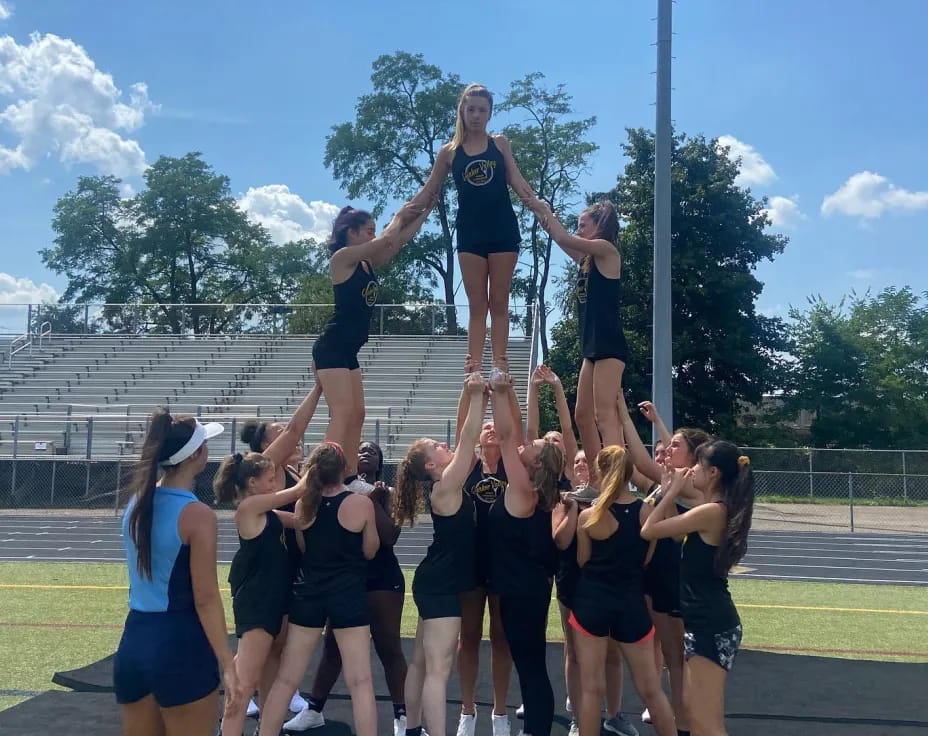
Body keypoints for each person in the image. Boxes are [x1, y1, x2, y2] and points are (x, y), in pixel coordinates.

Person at [114, 410, 239, 736]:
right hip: (180, 646)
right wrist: (228, 662)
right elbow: (206, 598)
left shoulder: (137, 503)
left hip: (133, 645)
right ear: (197, 455)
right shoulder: (198, 515)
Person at [286, 441, 409, 736]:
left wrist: (376, 501)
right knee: (332, 648)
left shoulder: (387, 493)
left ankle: (403, 716)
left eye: (373, 452)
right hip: (345, 580)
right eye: (361, 449)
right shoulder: (331, 489)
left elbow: (390, 536)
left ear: (380, 462)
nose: (366, 453)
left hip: (380, 577)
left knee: (388, 646)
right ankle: (314, 710)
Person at [258, 443, 380, 736]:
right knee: (360, 681)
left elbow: (303, 546)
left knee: (286, 679)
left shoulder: (304, 505)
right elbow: (370, 550)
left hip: (308, 593)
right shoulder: (360, 504)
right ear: (343, 470)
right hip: (348, 595)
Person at [413, 84, 535, 371]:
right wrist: (405, 213)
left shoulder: (499, 144)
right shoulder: (449, 152)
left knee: (500, 301)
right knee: (477, 304)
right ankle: (474, 367)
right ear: (462, 112)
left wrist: (539, 206)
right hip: (470, 233)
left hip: (503, 229)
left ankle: (500, 365)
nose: (476, 115)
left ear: (490, 113)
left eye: (482, 110)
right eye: (471, 109)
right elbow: (430, 189)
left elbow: (516, 181)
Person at [313, 201, 432, 490]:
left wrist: (425, 213)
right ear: (351, 232)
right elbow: (389, 238)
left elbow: (397, 241)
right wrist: (401, 214)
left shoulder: (367, 263)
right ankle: (322, 477)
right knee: (342, 413)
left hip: (348, 349)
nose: (372, 236)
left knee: (358, 413)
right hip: (333, 346)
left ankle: (350, 476)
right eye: (368, 231)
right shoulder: (342, 259)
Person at [641, 441, 756, 736]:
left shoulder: (712, 512)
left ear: (713, 473)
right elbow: (679, 538)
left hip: (710, 624)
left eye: (697, 466)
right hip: (703, 622)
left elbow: (648, 530)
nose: (690, 471)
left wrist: (668, 494)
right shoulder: (711, 512)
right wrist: (670, 492)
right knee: (698, 717)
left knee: (707, 724)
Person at [393, 373, 485, 736]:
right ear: (430, 465)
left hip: (437, 580)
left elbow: (467, 444)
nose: (444, 444)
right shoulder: (445, 487)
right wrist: (477, 395)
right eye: (436, 446)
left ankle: (413, 729)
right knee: (439, 668)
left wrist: (471, 393)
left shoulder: (446, 485)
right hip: (441, 584)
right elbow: (469, 440)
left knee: (421, 662)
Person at [570, 446, 676, 736]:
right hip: (630, 603)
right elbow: (647, 559)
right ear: (631, 473)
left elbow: (582, 560)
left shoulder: (588, 516)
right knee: (651, 690)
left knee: (591, 689)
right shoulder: (646, 511)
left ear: (601, 472)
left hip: (592, 602)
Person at [618, 399, 710, 731]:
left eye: (675, 447)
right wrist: (624, 413)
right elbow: (641, 459)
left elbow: (669, 465)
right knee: (670, 657)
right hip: (655, 576)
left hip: (678, 579)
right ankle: (676, 718)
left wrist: (658, 423)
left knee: (681, 659)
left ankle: (687, 723)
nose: (668, 451)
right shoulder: (664, 482)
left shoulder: (691, 486)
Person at [236, 384, 323, 721]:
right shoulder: (263, 472)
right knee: (261, 643)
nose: (288, 436)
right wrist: (318, 389)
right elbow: (294, 428)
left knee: (280, 641)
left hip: (286, 567)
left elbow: (301, 517)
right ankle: (247, 698)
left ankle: (273, 699)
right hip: (264, 576)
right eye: (277, 433)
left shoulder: (286, 472)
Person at [487, 370, 563, 736]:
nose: (525, 444)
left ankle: (537, 730)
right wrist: (517, 394)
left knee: (531, 666)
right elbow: (520, 432)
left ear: (535, 464)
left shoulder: (523, 487)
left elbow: (505, 436)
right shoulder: (533, 484)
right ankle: (536, 727)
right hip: (526, 588)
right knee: (529, 663)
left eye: (530, 448)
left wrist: (498, 391)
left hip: (522, 592)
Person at [214, 452, 311, 736]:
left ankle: (266, 729)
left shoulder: (268, 514)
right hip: (256, 602)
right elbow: (297, 491)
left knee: (267, 668)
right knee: (244, 683)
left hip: (273, 598)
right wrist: (312, 470)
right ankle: (229, 731)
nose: (274, 484)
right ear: (253, 483)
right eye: (270, 479)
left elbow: (301, 519)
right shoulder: (249, 507)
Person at [527, 198, 627, 465]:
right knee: (582, 416)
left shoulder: (606, 250)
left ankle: (617, 480)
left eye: (583, 225)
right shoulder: (587, 261)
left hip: (608, 343)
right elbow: (560, 239)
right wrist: (540, 213)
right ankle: (598, 478)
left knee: (604, 415)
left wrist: (546, 211)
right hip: (591, 346)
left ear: (599, 226)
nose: (579, 229)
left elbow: (564, 237)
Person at [454, 358, 519, 736]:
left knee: (501, 637)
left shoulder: (511, 465)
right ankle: (466, 710)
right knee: (469, 636)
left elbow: (512, 431)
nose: (491, 429)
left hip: (505, 562)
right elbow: (465, 426)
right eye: (486, 426)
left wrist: (500, 393)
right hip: (471, 561)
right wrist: (471, 389)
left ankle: (498, 712)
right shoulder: (468, 468)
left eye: (495, 426)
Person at [552, 477, 637, 736]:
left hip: (602, 585)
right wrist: (575, 508)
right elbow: (562, 540)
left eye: (585, 465)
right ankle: (578, 717)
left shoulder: (608, 502)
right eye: (575, 464)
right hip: (571, 582)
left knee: (612, 654)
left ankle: (614, 714)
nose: (581, 470)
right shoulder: (563, 502)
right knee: (574, 654)